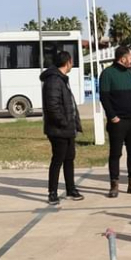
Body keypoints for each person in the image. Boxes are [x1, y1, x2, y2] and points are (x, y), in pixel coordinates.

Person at [99, 45, 131, 198]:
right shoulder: (107, 74)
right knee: (115, 154)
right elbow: (104, 97)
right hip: (117, 122)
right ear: (123, 58)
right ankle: (114, 185)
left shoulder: (129, 73)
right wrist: (113, 117)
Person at [41, 50, 84, 204]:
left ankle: (71, 188)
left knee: (69, 159)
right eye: (72, 62)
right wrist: (64, 122)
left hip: (68, 129)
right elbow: (53, 107)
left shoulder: (62, 79)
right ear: (68, 62)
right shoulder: (54, 80)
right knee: (58, 160)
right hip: (59, 129)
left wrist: (74, 123)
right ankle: (52, 192)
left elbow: (68, 103)